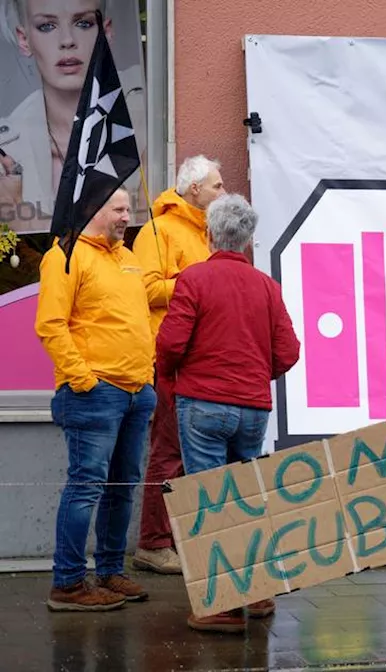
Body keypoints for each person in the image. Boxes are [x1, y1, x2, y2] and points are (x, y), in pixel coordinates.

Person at [155, 193, 300, 633]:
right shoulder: (266, 286)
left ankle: (218, 605)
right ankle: (256, 593)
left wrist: (173, 376)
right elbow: (289, 351)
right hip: (252, 406)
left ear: (208, 233)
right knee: (245, 498)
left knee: (208, 503)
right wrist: (258, 375)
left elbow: (170, 343)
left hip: (203, 404)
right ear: (249, 240)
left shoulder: (194, 279)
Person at [34, 187, 156, 611]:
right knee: (86, 486)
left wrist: (149, 375)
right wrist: (84, 380)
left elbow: (137, 320)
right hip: (94, 393)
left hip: (137, 392)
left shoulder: (128, 259)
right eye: (119, 209)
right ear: (93, 209)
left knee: (121, 487)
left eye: (129, 209)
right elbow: (50, 325)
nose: (128, 216)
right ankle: (67, 583)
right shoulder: (65, 255)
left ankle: (108, 572)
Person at [129, 154, 223, 574]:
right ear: (194, 189)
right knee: (168, 453)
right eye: (217, 185)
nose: (224, 191)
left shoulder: (207, 233)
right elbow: (144, 290)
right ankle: (152, 542)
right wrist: (199, 281)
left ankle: (176, 537)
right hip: (168, 358)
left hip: (199, 357)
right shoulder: (158, 229)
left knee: (189, 454)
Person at [0, 0, 147, 232]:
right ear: (23, 38)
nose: (67, 41)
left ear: (106, 32)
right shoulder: (8, 149)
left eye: (84, 23)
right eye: (47, 26)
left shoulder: (143, 126)